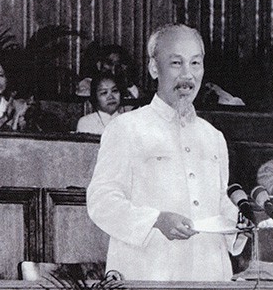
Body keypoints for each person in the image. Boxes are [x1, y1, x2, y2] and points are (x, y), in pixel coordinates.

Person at [86, 24, 247, 281]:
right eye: (176, 63)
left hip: (209, 274)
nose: (187, 75)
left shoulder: (213, 137)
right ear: (153, 68)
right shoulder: (126, 128)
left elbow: (217, 202)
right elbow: (101, 201)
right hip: (149, 273)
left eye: (195, 63)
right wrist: (155, 220)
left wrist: (241, 224)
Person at [76, 44, 141, 99]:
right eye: (109, 64)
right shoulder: (87, 84)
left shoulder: (122, 84)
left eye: (117, 65)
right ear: (99, 64)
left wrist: (129, 83)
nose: (113, 69)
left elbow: (136, 100)